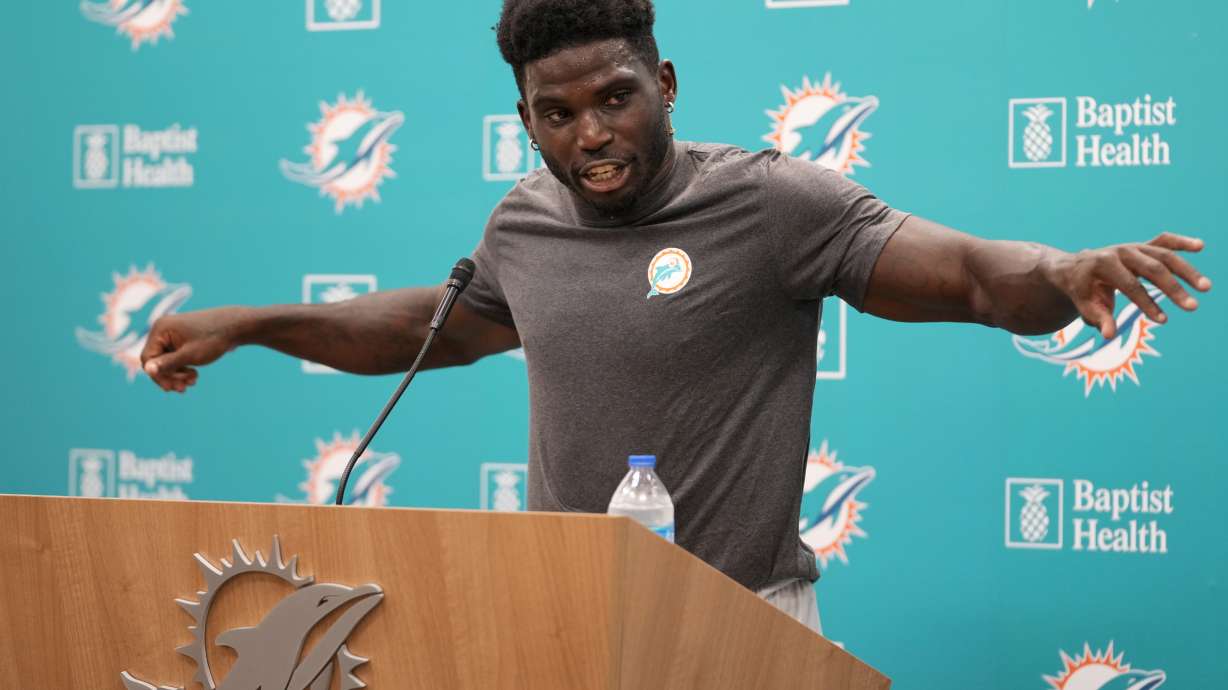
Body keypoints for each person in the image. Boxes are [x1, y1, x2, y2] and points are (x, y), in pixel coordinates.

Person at [140, 0, 1211, 634]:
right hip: (565, 619)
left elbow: (972, 277)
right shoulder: (523, 222)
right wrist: (251, 323)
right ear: (524, 120)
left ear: (664, 80)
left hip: (743, 626)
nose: (589, 134)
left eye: (614, 97)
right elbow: (429, 326)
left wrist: (1062, 272)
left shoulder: (770, 203)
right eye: (555, 115)